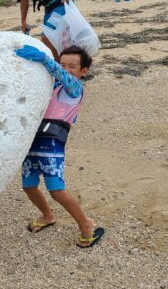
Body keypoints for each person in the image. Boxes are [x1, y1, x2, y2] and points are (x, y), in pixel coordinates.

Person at [14, 44, 105, 248]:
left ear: (83, 71)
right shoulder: (51, 87)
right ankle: (48, 216)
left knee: (56, 191)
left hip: (52, 144)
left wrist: (46, 61)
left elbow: (64, 77)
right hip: (31, 142)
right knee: (28, 186)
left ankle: (86, 226)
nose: (65, 69)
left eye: (72, 66)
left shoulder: (75, 88)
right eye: (62, 64)